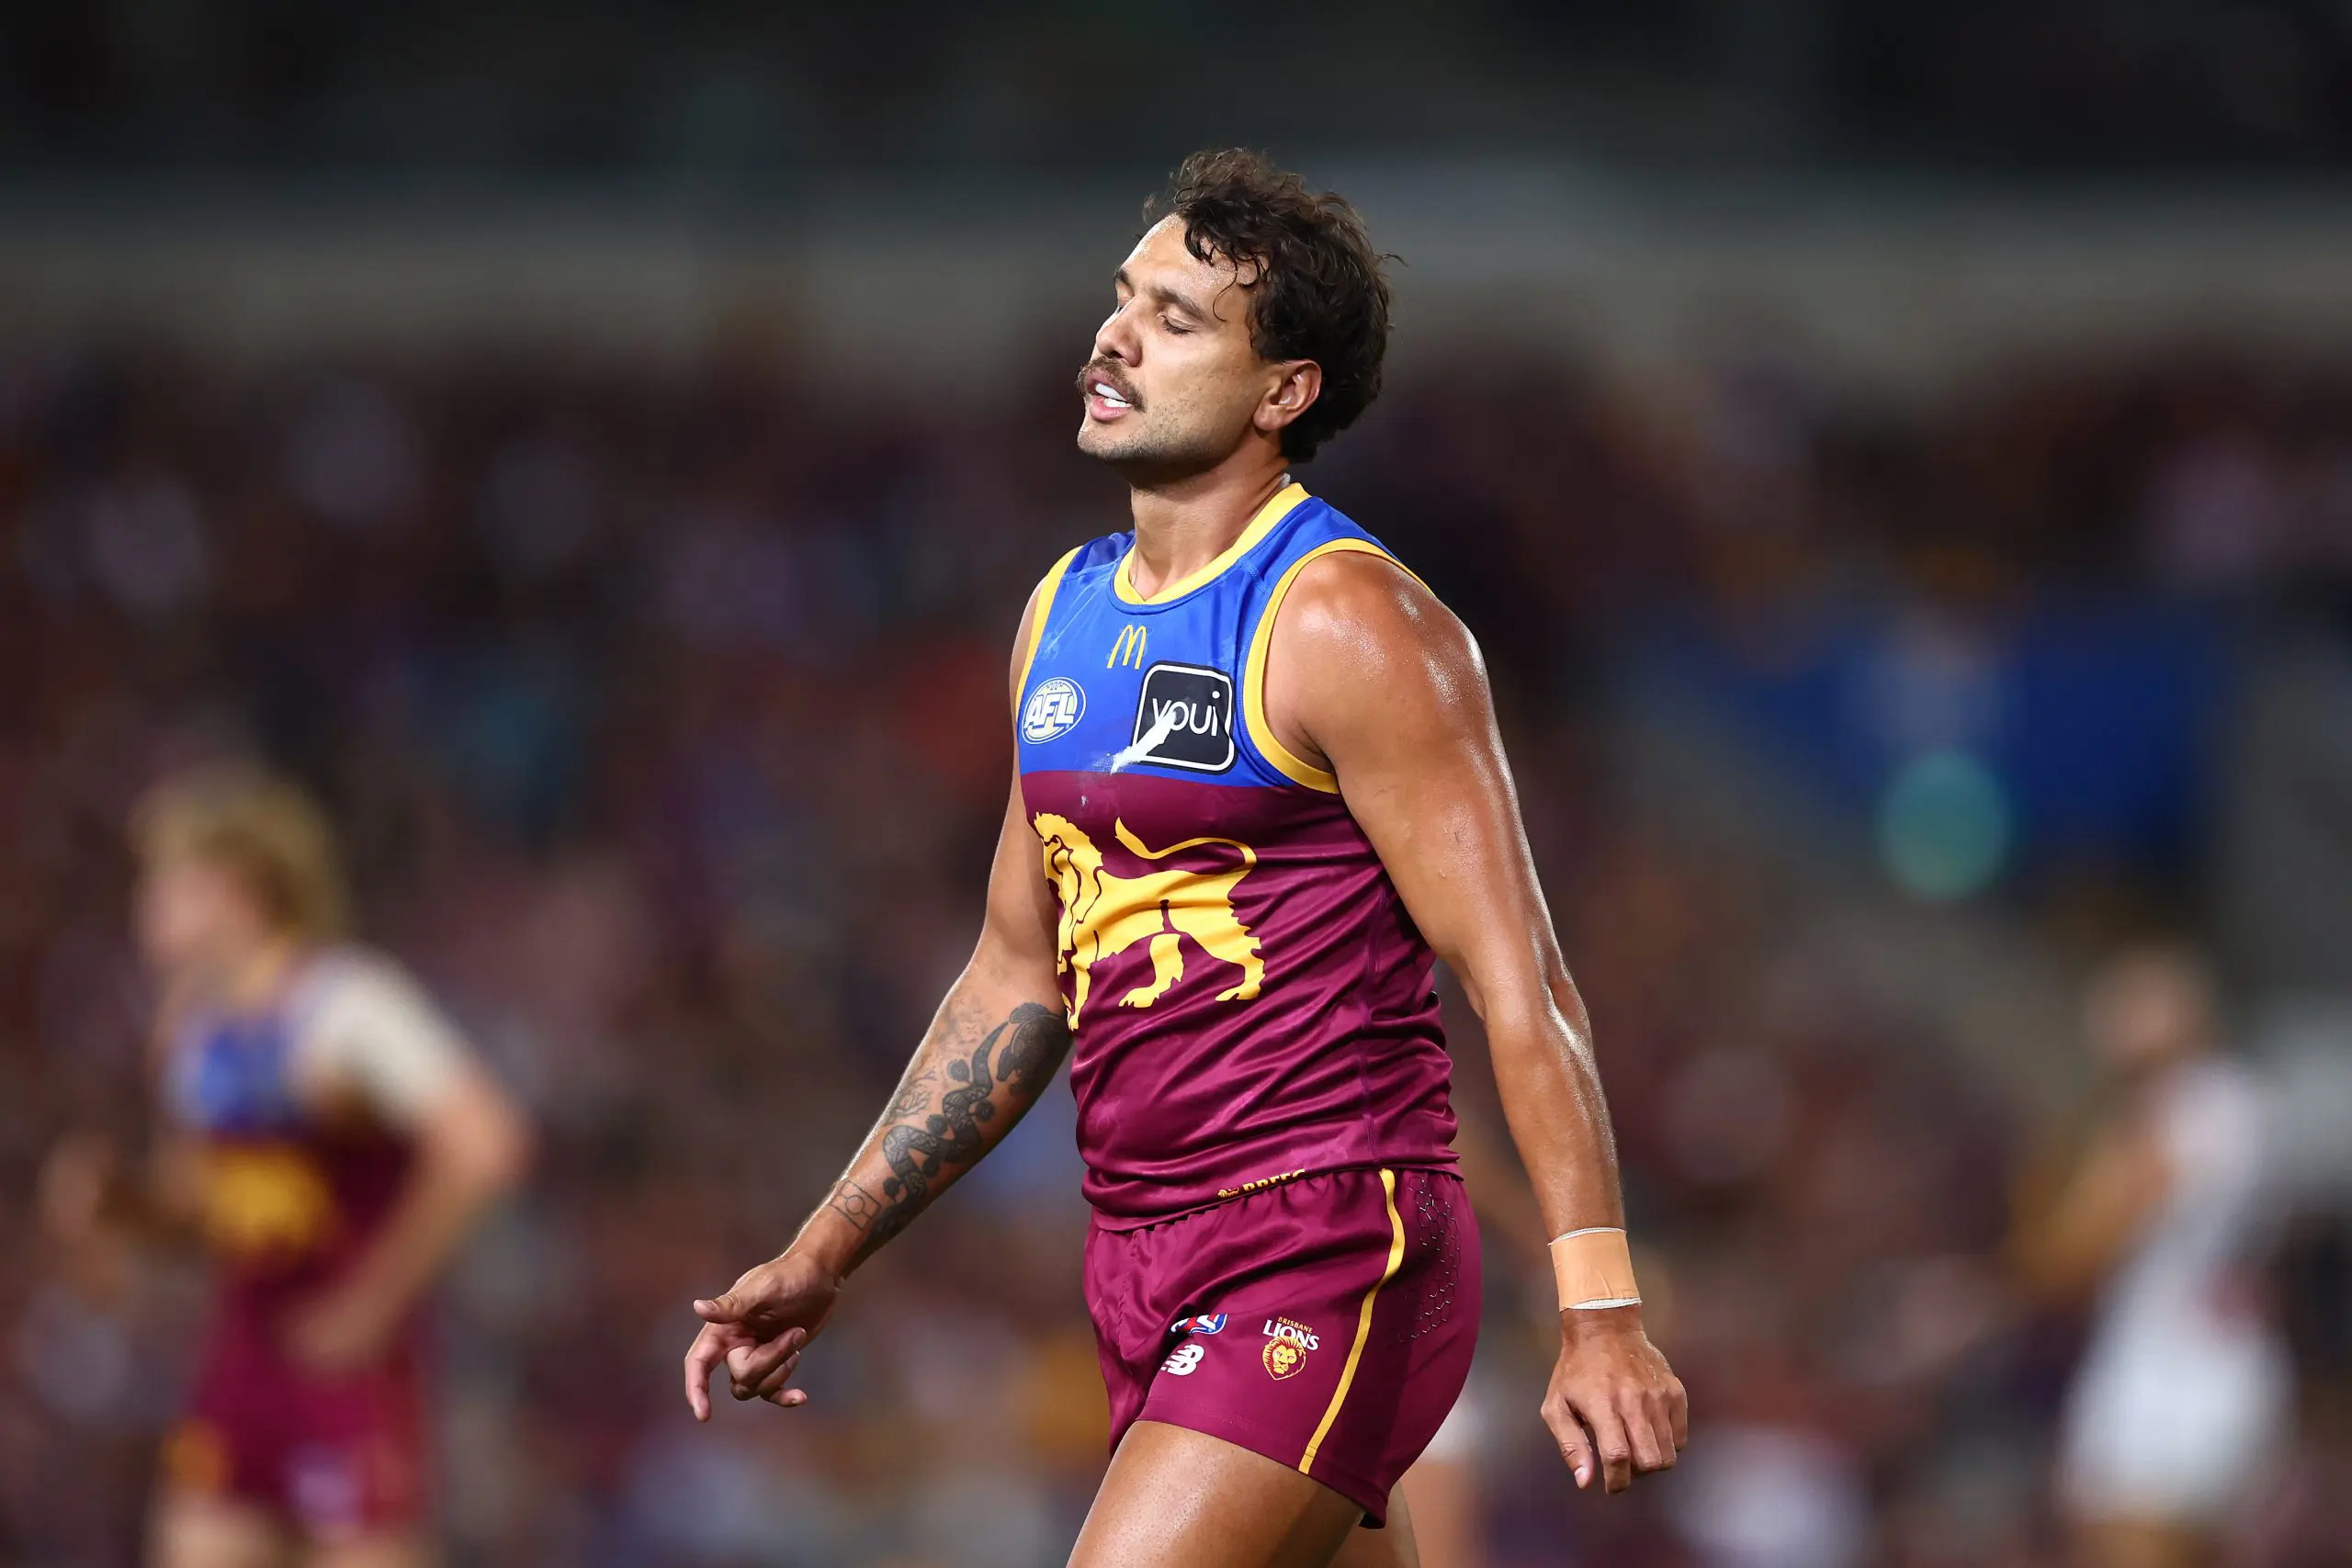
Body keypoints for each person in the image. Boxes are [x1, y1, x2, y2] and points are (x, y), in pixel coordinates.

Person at [684, 148, 1687, 1568]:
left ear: (1286, 392)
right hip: (1140, 1252)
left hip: (1331, 1235)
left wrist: (1601, 1312)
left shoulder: (1352, 622)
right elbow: (1018, 975)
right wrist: (826, 1244)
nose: (1117, 333)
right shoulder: (1061, 612)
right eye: (1123, 297)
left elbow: (1522, 984)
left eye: (1178, 317)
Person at [40, 765, 532, 1568]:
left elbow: (487, 1143)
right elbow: (202, 1207)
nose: (145, 908)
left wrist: (373, 1300)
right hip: (241, 1358)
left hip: (348, 1372)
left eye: (167, 884)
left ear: (236, 888)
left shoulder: (346, 1006)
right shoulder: (189, 1025)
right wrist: (120, 1205)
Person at [2011, 944, 2290, 1568]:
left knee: (2134, 1542)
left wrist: (2048, 1206)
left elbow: (2075, 1249)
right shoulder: (2196, 1104)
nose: (2111, 1021)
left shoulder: (2206, 1101)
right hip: (2174, 1348)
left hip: (2182, 1367)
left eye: (2133, 1003)